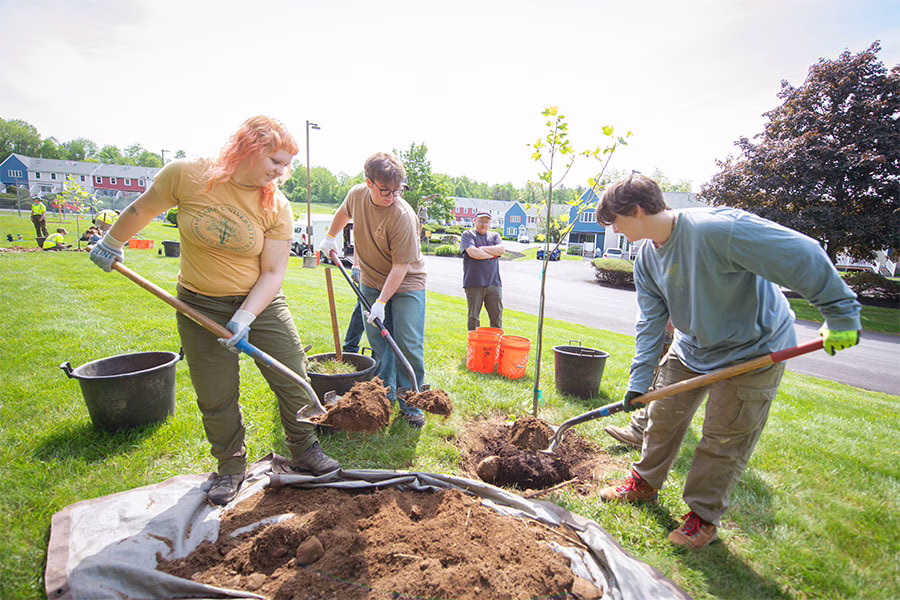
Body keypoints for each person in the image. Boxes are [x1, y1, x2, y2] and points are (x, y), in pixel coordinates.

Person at [595, 174, 861, 549]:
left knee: (724, 438)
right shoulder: (647, 259)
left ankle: (701, 517)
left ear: (636, 211)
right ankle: (644, 484)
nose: (616, 230)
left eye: (616, 222)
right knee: (662, 419)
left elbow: (803, 253)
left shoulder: (717, 230)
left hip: (754, 349)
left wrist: (841, 314)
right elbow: (650, 323)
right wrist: (639, 381)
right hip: (693, 347)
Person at [89, 116, 341, 506]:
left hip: (260, 303)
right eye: (276, 160)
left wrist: (245, 317)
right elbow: (144, 209)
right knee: (216, 393)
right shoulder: (187, 175)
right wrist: (112, 241)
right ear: (250, 148)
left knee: (292, 377)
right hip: (198, 301)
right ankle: (230, 467)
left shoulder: (277, 205)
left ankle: (304, 448)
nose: (282, 171)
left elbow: (274, 272)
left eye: (287, 164)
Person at [321, 152, 427, 428]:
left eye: (398, 190)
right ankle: (384, 396)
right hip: (371, 279)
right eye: (385, 190)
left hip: (406, 284)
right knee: (380, 345)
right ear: (368, 183)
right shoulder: (357, 195)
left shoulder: (403, 216)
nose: (392, 196)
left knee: (408, 343)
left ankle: (411, 401)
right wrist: (330, 237)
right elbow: (344, 213)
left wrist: (381, 302)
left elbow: (401, 267)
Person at [460, 211, 504, 330]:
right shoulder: (468, 235)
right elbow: (473, 253)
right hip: (474, 283)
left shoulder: (495, 236)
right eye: (481, 221)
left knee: (497, 317)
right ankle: (474, 346)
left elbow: (501, 250)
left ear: (490, 223)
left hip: (494, 283)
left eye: (486, 222)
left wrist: (483, 249)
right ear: (475, 221)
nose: (484, 224)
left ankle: (496, 345)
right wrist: (493, 254)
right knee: (473, 317)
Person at [341, 251, 367, 354]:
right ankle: (350, 349)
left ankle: (383, 353)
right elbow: (359, 239)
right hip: (368, 270)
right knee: (361, 310)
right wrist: (356, 266)